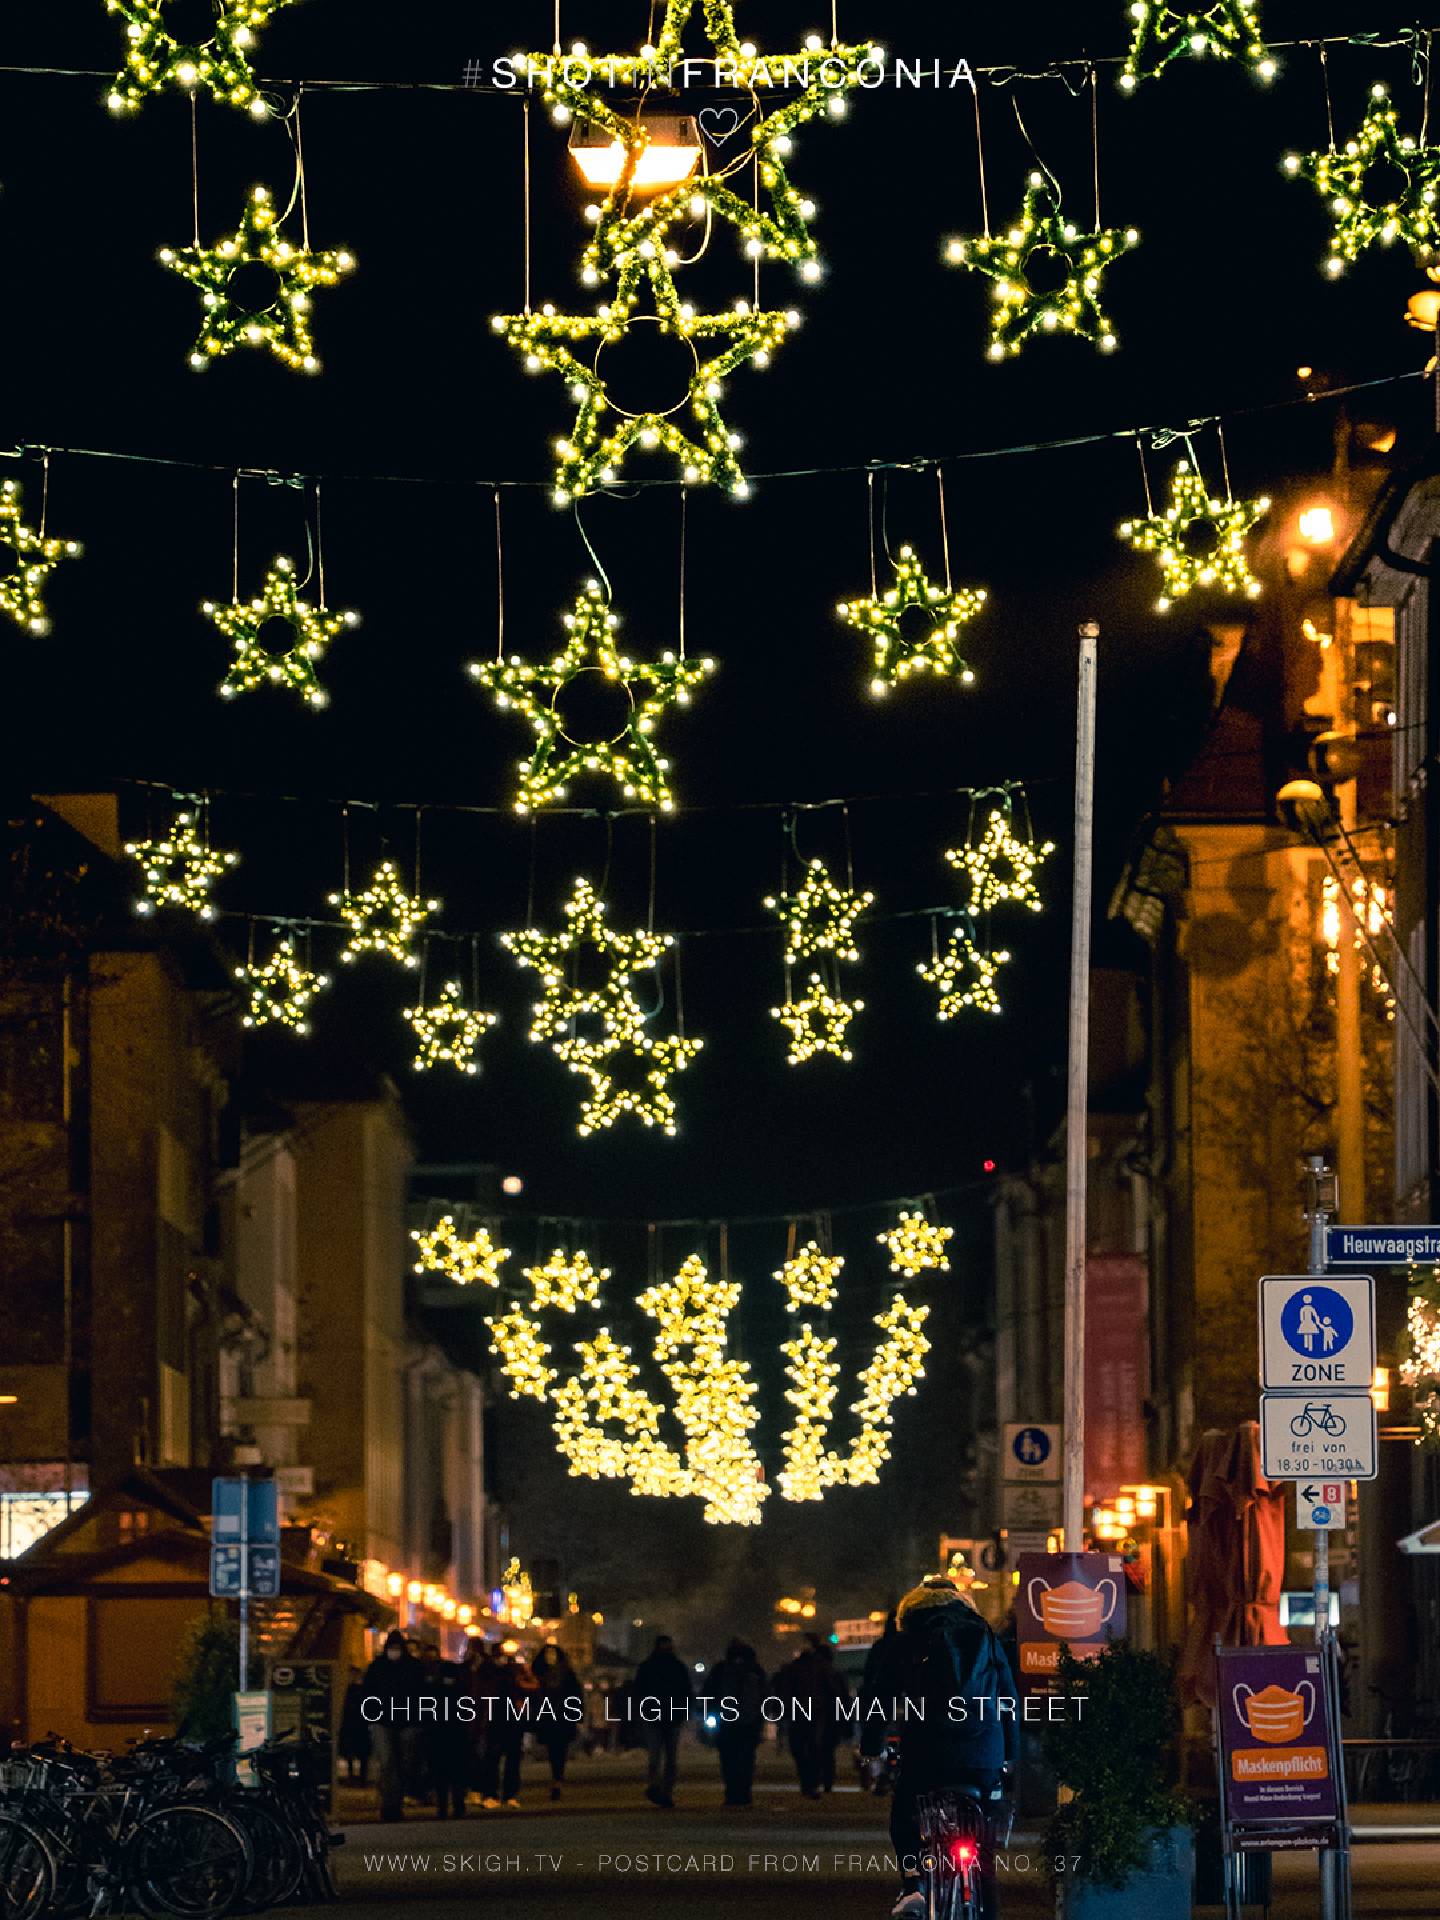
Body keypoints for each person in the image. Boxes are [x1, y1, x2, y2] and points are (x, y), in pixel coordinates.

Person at [860, 1575, 1018, 1920]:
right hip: (983, 1755)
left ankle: (914, 1885)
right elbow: (1008, 1700)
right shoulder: (986, 1637)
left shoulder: (905, 1640)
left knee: (905, 1813)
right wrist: (1009, 1755)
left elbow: (879, 1701)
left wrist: (871, 1749)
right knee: (983, 1848)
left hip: (926, 1754)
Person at [360, 1629, 421, 1822]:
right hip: (383, 1721)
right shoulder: (378, 1667)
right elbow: (367, 1693)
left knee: (403, 1764)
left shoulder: (412, 1667)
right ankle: (389, 1804)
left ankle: (396, 1801)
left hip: (407, 1721)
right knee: (387, 1763)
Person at [633, 1632, 692, 1807]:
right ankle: (664, 1790)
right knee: (668, 1757)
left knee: (657, 1756)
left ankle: (657, 1787)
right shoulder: (677, 1667)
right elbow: (686, 1692)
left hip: (656, 1717)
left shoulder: (648, 1667)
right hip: (670, 1716)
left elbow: (638, 1691)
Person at [707, 1639, 766, 1807]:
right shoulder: (755, 1670)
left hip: (727, 1722)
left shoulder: (721, 1670)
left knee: (729, 1760)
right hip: (749, 1722)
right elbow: (765, 1695)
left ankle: (732, 1792)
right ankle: (744, 1792)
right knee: (746, 1759)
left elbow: (709, 1693)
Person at [775, 1637, 828, 1798]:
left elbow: (784, 1692)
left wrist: (781, 1712)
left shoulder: (792, 1669)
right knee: (814, 1748)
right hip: (816, 1713)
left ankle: (806, 1781)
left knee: (799, 1749)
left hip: (797, 1714)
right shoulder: (821, 1669)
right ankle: (813, 1781)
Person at [531, 1644, 584, 1800]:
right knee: (553, 1749)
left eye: (553, 1654)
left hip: (563, 1716)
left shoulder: (567, 1674)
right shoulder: (539, 1673)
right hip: (547, 1716)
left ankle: (557, 1779)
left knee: (560, 1749)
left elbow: (576, 1694)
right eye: (548, 1654)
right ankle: (557, 1778)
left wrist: (577, 1713)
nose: (551, 1657)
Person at [426, 1650, 474, 1819]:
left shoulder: (435, 1691)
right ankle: (457, 1806)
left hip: (441, 1738)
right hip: (455, 1738)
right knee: (456, 1775)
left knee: (442, 1775)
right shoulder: (461, 1690)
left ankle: (444, 1808)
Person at [815, 1640, 853, 1793]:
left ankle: (821, 1779)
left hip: (823, 1716)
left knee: (820, 1749)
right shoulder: (836, 1675)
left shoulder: (818, 1675)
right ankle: (827, 1781)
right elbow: (844, 1699)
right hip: (831, 1717)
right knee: (827, 1751)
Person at [339, 1666, 371, 1783]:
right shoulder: (359, 1689)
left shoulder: (354, 1689)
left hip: (356, 1723)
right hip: (356, 1723)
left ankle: (358, 1776)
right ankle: (359, 1776)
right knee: (356, 1751)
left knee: (358, 1751)